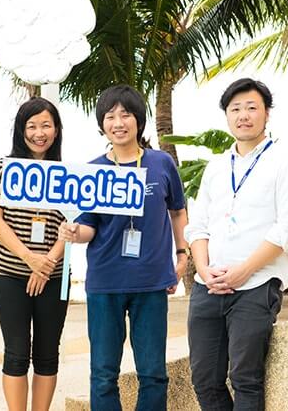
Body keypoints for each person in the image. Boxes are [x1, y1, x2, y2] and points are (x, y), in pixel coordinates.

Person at [59, 85, 188, 411]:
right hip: (106, 283)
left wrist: (182, 253)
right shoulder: (94, 170)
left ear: (138, 120)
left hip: (152, 282)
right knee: (103, 374)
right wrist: (75, 232)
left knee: (153, 373)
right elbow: (89, 227)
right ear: (102, 124)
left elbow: (177, 210)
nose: (118, 122)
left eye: (126, 114)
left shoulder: (161, 164)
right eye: (110, 116)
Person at [184, 78, 288, 410]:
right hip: (208, 286)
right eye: (235, 109)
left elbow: (287, 230)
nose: (243, 115)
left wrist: (243, 271)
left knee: (246, 378)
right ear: (226, 116)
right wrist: (205, 268)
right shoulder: (215, 167)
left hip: (256, 285)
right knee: (204, 379)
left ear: (266, 114)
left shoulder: (286, 162)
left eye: (252, 107)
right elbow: (197, 226)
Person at [0, 97, 68, 411]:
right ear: (21, 131)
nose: (39, 133)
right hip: (9, 275)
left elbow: (71, 223)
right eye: (31, 126)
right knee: (17, 352)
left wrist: (46, 265)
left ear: (57, 130)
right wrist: (29, 259)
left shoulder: (66, 173)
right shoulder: (3, 168)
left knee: (48, 352)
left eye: (46, 125)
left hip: (55, 275)